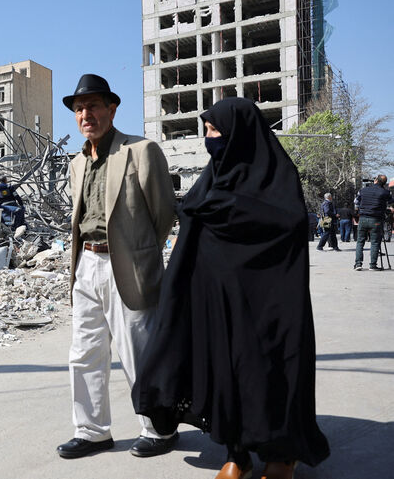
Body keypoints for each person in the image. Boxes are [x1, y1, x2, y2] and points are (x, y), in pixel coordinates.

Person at [132, 98, 330, 479]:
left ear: (239, 132)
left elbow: (288, 225)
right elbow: (192, 226)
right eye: (206, 131)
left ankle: (281, 455)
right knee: (227, 370)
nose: (209, 139)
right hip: (219, 301)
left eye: (214, 131)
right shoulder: (211, 179)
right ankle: (237, 452)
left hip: (268, 302)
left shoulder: (277, 175)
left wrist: (233, 214)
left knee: (270, 371)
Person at [56, 74, 176, 460]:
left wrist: (138, 253)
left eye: (92, 106)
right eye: (79, 109)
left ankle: (158, 429)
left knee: (137, 350)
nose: (85, 114)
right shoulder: (77, 162)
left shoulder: (140, 150)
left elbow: (163, 215)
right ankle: (92, 431)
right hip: (85, 264)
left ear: (111, 108)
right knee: (85, 353)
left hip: (127, 263)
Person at [353, 174, 394, 271]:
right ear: (384, 183)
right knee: (375, 242)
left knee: (360, 242)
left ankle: (358, 264)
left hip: (363, 218)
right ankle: (373, 265)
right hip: (376, 219)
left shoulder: (363, 190)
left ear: (376, 180)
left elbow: (356, 202)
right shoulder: (385, 192)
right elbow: (391, 200)